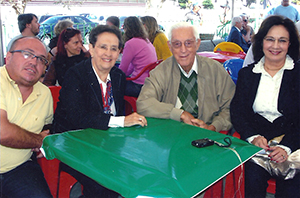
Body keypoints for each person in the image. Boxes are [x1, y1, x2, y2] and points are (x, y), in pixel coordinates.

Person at [53, 25, 147, 197]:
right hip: (75, 144)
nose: (108, 54)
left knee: (139, 170)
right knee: (103, 184)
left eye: (114, 49)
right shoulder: (75, 75)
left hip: (106, 143)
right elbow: (77, 117)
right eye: (103, 47)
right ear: (91, 48)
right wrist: (121, 121)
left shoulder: (118, 76)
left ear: (119, 52)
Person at [230, 15, 300, 198]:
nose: (275, 46)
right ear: (261, 42)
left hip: (293, 144)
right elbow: (238, 112)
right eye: (270, 39)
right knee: (251, 182)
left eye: (282, 40)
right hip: (258, 146)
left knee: (291, 187)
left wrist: (286, 147)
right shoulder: (247, 74)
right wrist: (252, 137)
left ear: (290, 44)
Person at [136, 22, 235, 132]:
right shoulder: (161, 71)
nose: (183, 50)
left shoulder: (215, 70)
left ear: (197, 44)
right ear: (170, 46)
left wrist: (213, 127)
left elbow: (231, 107)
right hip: (171, 134)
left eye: (188, 43)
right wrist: (180, 114)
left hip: (208, 134)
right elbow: (143, 103)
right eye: (177, 44)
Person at [0, 37, 53, 198]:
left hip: (18, 168)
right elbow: (2, 132)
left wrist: (44, 138)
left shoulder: (44, 93)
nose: (34, 62)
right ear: (8, 57)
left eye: (41, 59)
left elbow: (48, 127)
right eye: (27, 54)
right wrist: (38, 141)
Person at [119, 16, 157, 97]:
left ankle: (117, 109)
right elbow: (132, 67)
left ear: (126, 29)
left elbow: (123, 69)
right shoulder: (146, 41)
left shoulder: (131, 43)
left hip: (138, 85)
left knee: (114, 87)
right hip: (150, 83)